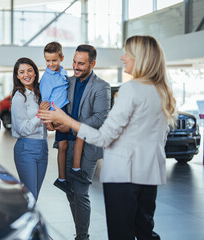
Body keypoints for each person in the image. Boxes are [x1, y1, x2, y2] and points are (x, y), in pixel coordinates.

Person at [38, 35, 176, 240]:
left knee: (121, 232)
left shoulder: (129, 88)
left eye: (127, 54)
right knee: (145, 230)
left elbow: (104, 137)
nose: (122, 58)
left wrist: (66, 121)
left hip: (123, 174)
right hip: (149, 174)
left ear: (141, 59)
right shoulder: (162, 91)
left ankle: (81, 236)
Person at [51, 44, 111, 240]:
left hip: (88, 147)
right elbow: (57, 105)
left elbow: (100, 118)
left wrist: (71, 126)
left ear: (92, 63)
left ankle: (82, 236)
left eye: (81, 63)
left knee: (81, 192)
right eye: (74, 62)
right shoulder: (67, 82)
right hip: (67, 144)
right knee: (70, 191)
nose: (75, 67)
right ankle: (80, 232)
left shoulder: (102, 87)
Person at [39, 42, 90, 196]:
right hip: (56, 114)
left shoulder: (62, 72)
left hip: (65, 111)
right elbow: (44, 102)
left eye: (54, 60)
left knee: (65, 145)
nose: (51, 64)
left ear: (61, 58)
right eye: (48, 61)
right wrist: (48, 122)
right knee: (69, 141)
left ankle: (66, 176)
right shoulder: (46, 79)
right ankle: (70, 173)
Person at [11, 57, 50, 200]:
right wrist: (40, 114)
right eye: (22, 72)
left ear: (35, 72)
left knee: (35, 195)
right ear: (17, 76)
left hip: (43, 147)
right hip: (26, 149)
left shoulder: (40, 93)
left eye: (29, 70)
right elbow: (22, 129)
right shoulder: (19, 97)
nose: (26, 75)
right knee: (30, 196)